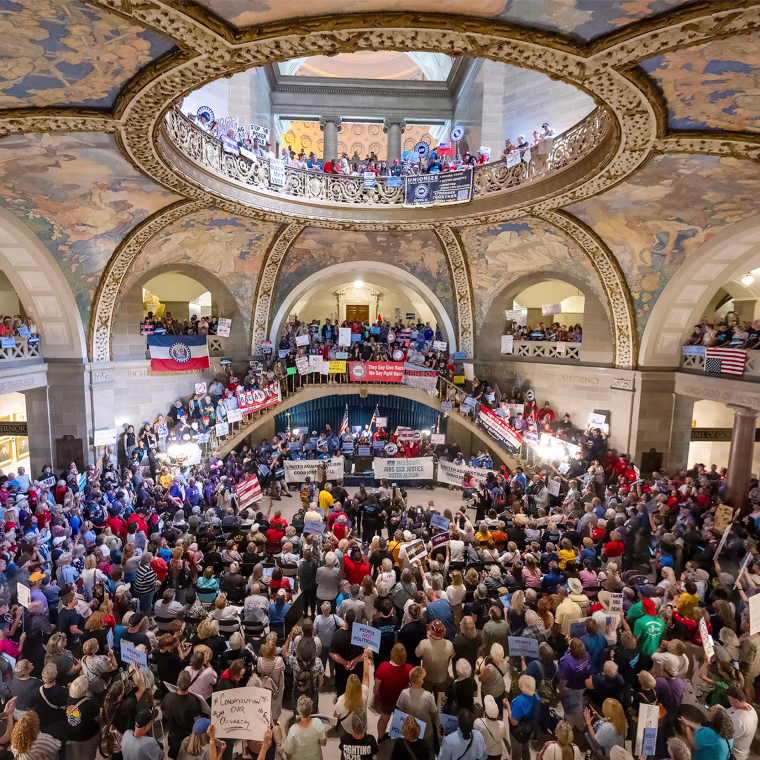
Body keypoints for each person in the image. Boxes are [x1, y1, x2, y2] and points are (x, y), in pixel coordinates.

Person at [374, 643, 412, 741]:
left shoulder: (383, 666)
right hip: (401, 701)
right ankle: (397, 738)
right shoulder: (409, 669)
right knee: (399, 720)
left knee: (383, 719)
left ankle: (381, 738)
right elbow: (412, 685)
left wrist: (377, 694)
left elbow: (377, 686)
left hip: (386, 700)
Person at [474, 695, 509, 760]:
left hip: (484, 753)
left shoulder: (478, 722)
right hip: (497, 753)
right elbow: (504, 736)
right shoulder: (502, 725)